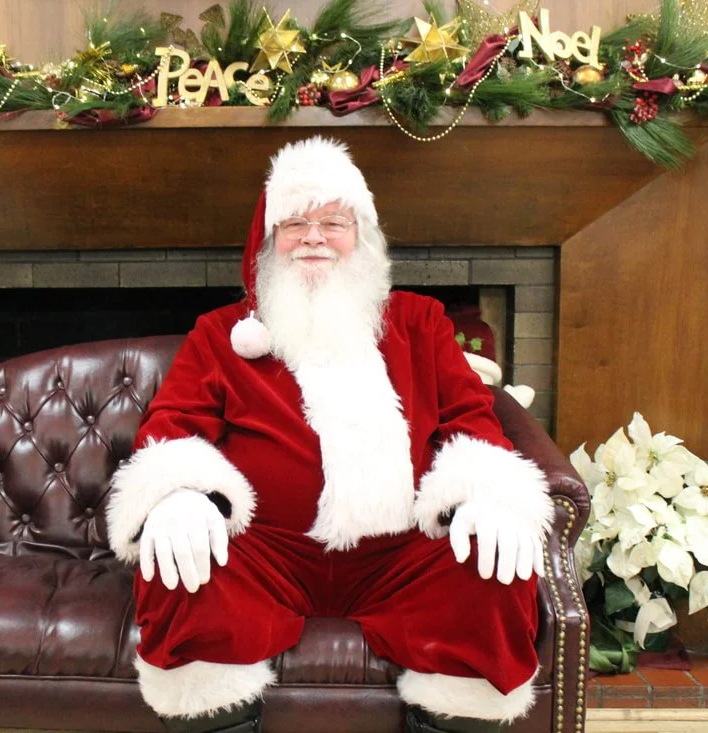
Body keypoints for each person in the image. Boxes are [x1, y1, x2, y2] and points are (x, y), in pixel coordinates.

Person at [105, 137, 553, 733]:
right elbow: (172, 424)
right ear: (268, 242)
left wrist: (486, 495)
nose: (312, 236)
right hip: (267, 555)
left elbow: (469, 417)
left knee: (492, 577)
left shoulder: (420, 323)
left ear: (361, 237)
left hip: (402, 555)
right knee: (181, 572)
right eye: (294, 223)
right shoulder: (221, 335)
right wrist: (179, 495)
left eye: (332, 222)